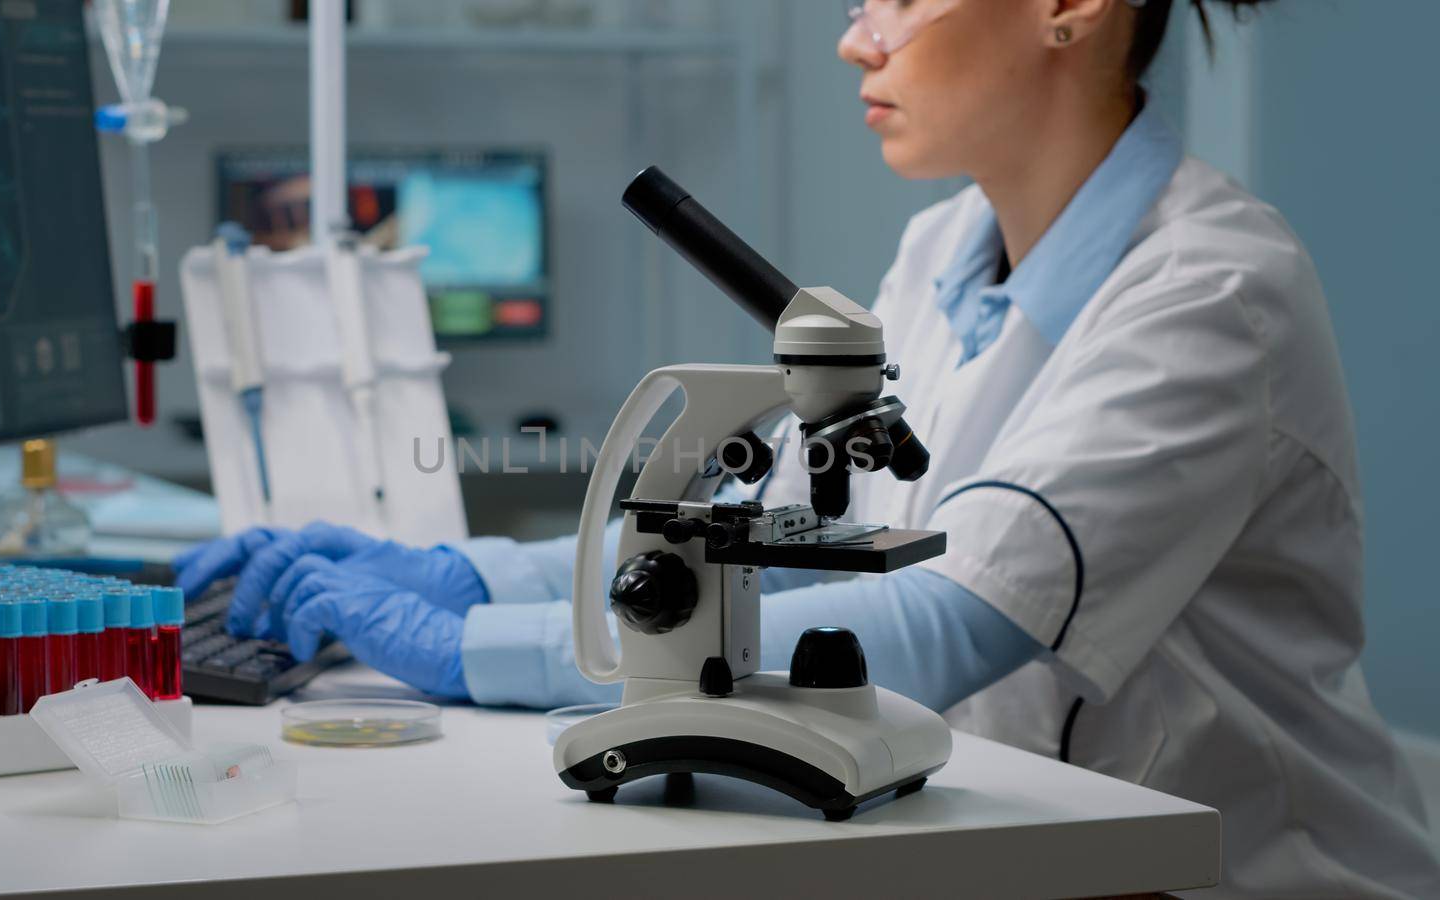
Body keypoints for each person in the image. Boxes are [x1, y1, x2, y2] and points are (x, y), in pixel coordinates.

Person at [175, 1, 1440, 895]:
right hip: (990, 838)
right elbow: (760, 551)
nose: (855, 37)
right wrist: (450, 574)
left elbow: (948, 626)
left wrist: (466, 652)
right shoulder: (942, 248)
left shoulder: (1211, 292)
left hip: (1223, 873)